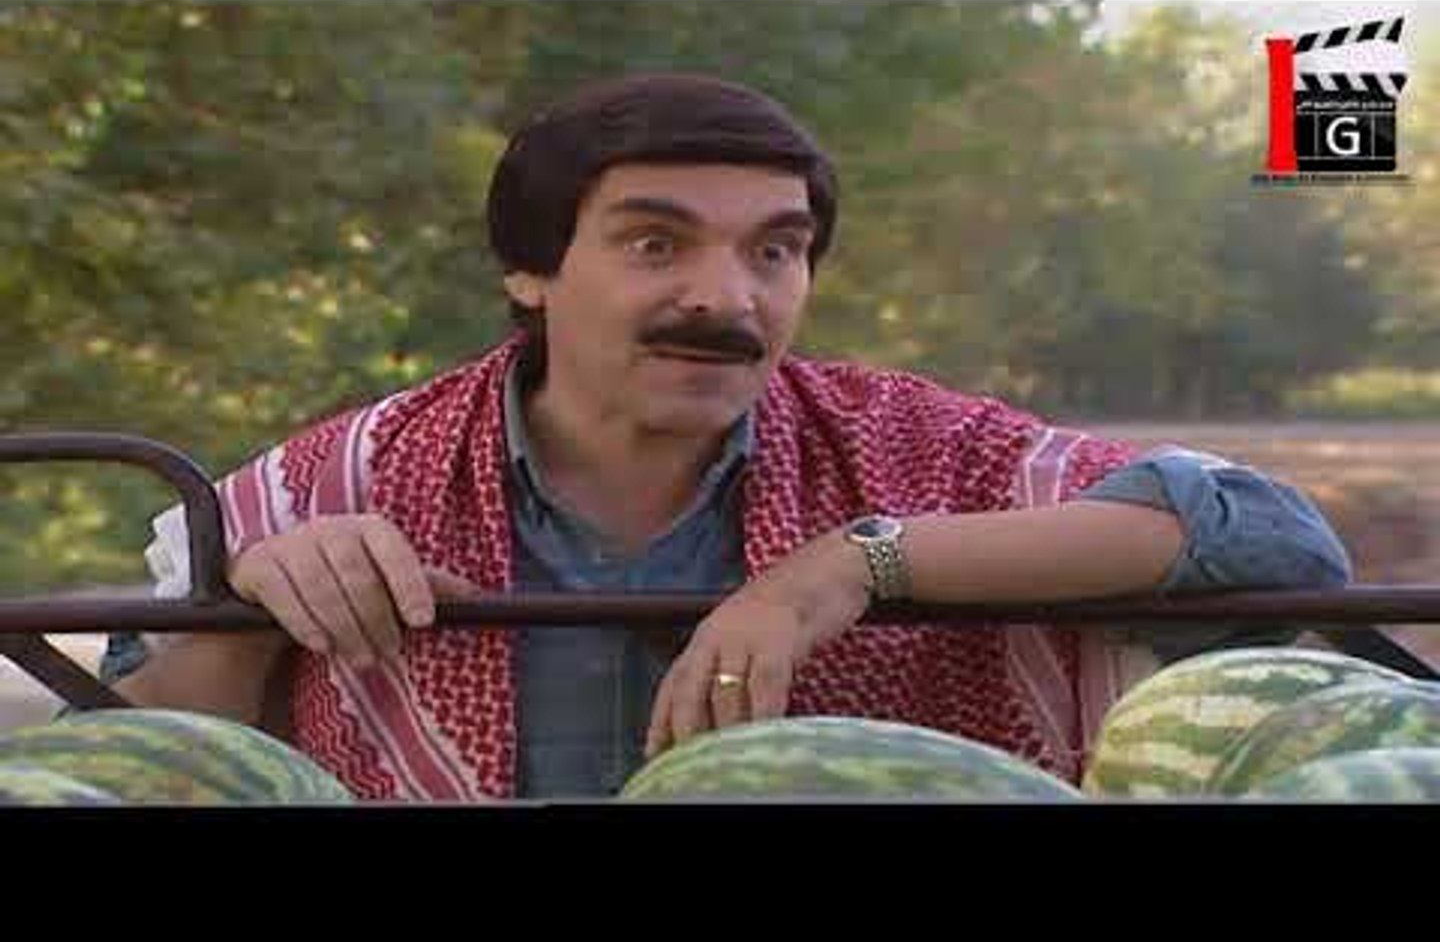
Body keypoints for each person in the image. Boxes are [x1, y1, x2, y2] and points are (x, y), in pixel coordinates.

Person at [102, 73, 1352, 801]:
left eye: (775, 251)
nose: (727, 298)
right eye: (657, 243)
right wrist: (250, 608)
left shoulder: (905, 445)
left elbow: (1269, 533)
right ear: (532, 270)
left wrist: (849, 568)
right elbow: (132, 766)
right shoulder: (335, 483)